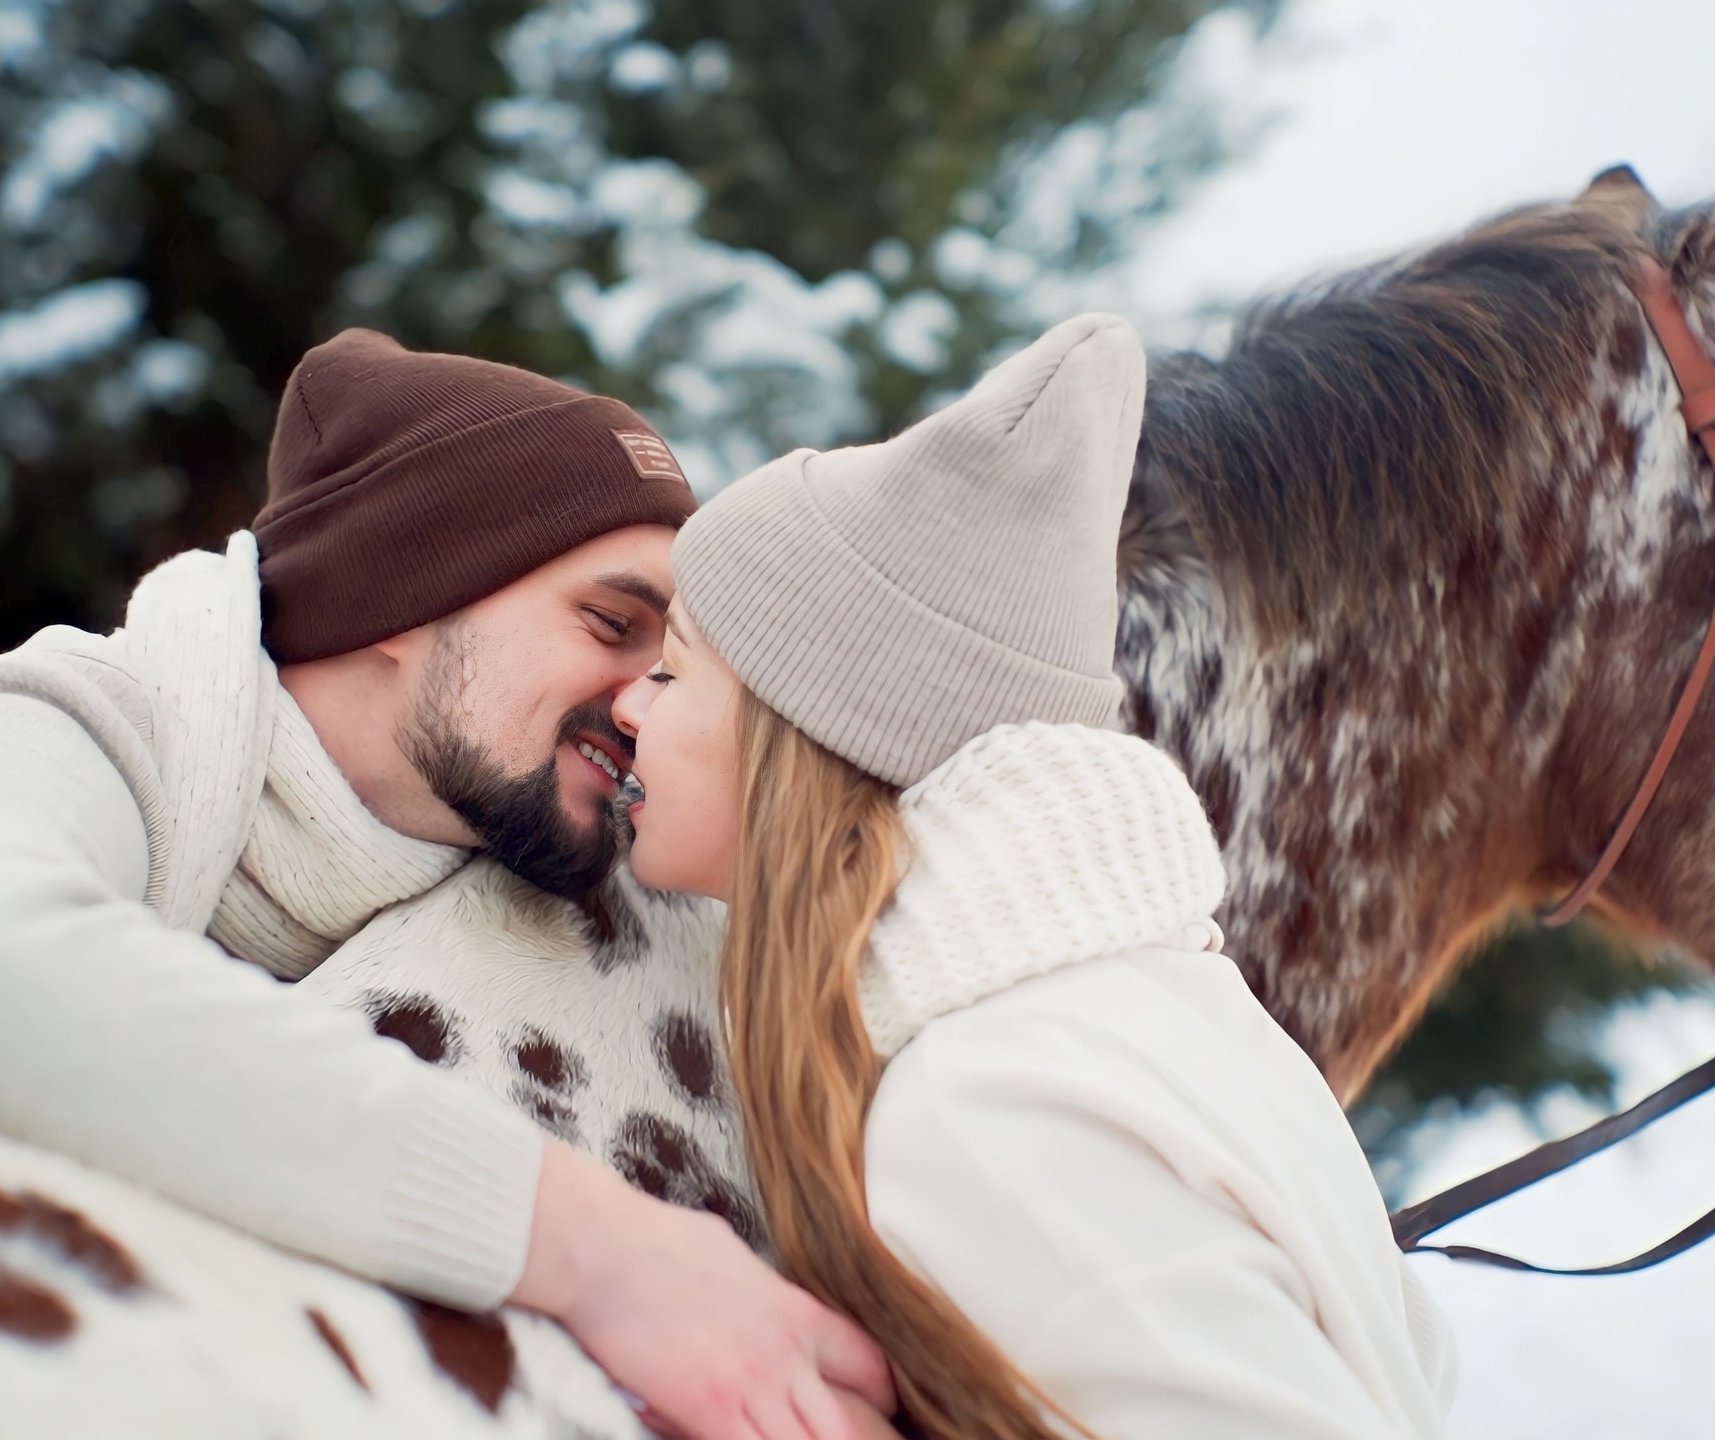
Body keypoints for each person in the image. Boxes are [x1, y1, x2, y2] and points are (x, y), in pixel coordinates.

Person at [0, 331, 893, 1440]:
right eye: (611, 625)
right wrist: (607, 1253)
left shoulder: (472, 902)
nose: (643, 702)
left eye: (671, 660)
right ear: (407, 585)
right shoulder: (59, 732)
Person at [610, 314, 1459, 1439]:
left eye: (672, 670)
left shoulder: (980, 1109)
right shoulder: (1123, 1014)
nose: (627, 703)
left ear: (803, 730)